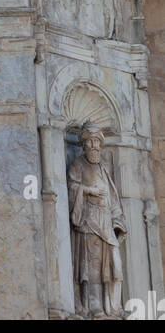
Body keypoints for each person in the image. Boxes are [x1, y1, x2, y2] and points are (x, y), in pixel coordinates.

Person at [68, 124, 127, 318]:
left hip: (106, 224)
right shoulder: (78, 165)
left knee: (115, 266)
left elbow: (113, 198)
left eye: (96, 142)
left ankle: (113, 307)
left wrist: (117, 222)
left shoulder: (104, 168)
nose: (94, 146)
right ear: (83, 145)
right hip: (88, 222)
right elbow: (71, 188)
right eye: (90, 142)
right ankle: (95, 308)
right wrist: (87, 190)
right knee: (92, 269)